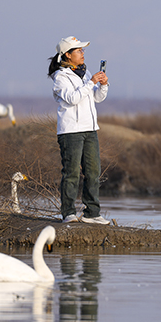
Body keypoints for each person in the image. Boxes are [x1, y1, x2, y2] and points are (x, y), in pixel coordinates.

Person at [48, 36, 111, 224]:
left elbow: (97, 98)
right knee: (72, 172)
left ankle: (92, 213)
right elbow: (72, 98)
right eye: (79, 51)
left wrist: (103, 85)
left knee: (93, 171)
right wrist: (90, 83)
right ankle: (68, 213)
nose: (83, 53)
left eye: (83, 50)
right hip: (70, 132)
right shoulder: (60, 77)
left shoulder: (85, 73)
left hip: (90, 129)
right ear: (68, 54)